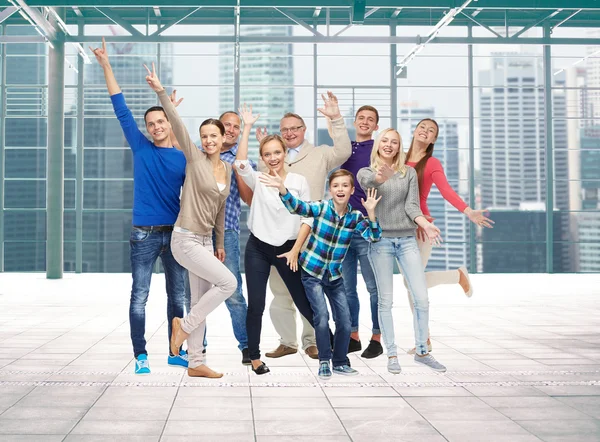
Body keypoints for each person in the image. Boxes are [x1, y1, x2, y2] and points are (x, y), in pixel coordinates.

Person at [90, 39, 188, 375]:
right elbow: (120, 107)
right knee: (139, 298)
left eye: (162, 122)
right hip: (144, 236)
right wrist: (105, 64)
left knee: (178, 299)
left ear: (170, 124)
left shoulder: (183, 158)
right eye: (152, 124)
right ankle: (141, 355)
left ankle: (177, 352)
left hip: (175, 236)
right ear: (147, 129)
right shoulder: (142, 148)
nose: (157, 126)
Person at [144, 63, 237, 378]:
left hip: (207, 241)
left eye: (214, 135)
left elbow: (221, 210)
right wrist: (160, 90)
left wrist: (220, 244)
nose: (209, 140)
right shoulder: (194, 159)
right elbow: (177, 124)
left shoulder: (225, 170)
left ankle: (195, 362)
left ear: (223, 138)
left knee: (201, 298)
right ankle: (182, 326)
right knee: (228, 283)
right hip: (184, 239)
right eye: (205, 135)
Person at [255, 92, 352, 360]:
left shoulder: (320, 154)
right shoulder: (275, 157)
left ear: (304, 129)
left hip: (312, 233)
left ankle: (312, 341)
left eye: (295, 128)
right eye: (284, 130)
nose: (289, 133)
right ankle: (287, 341)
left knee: (311, 289)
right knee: (280, 290)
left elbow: (344, 151)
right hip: (279, 235)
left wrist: (336, 118)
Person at [261, 169, 382, 379]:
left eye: (345, 185)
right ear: (330, 190)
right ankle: (325, 360)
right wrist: (282, 189)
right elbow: (298, 207)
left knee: (345, 320)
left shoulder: (354, 217)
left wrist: (371, 212)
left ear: (352, 190)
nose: (340, 189)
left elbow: (374, 236)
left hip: (335, 276)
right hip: (312, 273)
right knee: (322, 317)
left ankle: (341, 362)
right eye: (336, 186)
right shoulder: (321, 208)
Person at [234, 104, 316, 375]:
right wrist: (246, 127)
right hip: (257, 247)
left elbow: (307, 218)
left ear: (284, 154)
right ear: (263, 157)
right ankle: (255, 358)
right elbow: (240, 163)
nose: (272, 158)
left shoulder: (298, 181)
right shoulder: (257, 179)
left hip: (288, 249)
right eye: (267, 154)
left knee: (304, 301)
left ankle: (329, 348)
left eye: (277, 152)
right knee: (255, 303)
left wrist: (296, 250)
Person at [357, 128, 447, 374]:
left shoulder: (408, 173)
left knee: (421, 298)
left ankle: (422, 350)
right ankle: (392, 354)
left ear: (399, 148)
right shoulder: (366, 172)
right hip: (380, 242)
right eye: (384, 140)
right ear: (378, 145)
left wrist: (426, 224)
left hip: (407, 240)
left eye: (394, 142)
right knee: (385, 301)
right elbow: (368, 183)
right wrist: (381, 178)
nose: (388, 145)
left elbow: (412, 206)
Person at [404, 118, 494, 353]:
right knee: (410, 283)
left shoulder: (431, 163)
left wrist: (468, 210)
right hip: (399, 228)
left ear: (433, 139)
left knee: (412, 283)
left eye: (431, 131)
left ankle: (424, 339)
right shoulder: (399, 158)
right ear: (414, 131)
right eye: (422, 127)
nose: (425, 131)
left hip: (421, 228)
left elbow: (446, 191)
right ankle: (456, 276)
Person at [331, 105, 383, 358]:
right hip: (342, 227)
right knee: (346, 287)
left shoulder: (378, 151)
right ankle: (352, 335)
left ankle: (377, 336)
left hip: (366, 225)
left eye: (370, 120)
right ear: (354, 122)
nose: (364, 122)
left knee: (374, 287)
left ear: (376, 125)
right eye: (361, 118)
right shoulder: (343, 149)